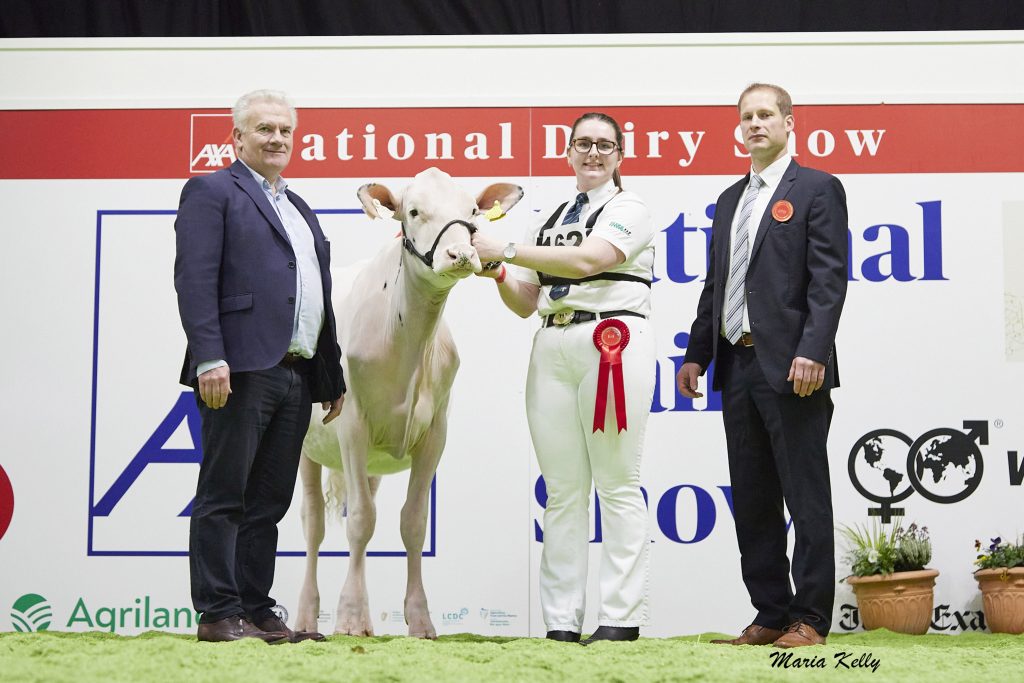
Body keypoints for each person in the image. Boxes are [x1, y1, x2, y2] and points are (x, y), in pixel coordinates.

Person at [471, 112, 654, 645]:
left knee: (618, 484)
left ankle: (619, 618)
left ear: (621, 155)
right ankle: (561, 623)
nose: (593, 153)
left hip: (612, 340)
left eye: (604, 145)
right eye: (583, 144)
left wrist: (503, 249)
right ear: (568, 152)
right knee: (562, 492)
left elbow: (590, 260)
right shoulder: (548, 216)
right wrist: (498, 271)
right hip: (551, 341)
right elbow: (525, 301)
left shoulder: (630, 208)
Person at [677, 83, 848, 648]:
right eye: (746, 116)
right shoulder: (730, 200)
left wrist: (813, 350)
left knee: (805, 494)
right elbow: (717, 285)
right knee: (751, 498)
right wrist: (698, 353)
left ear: (789, 121)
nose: (755, 124)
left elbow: (828, 281)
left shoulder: (818, 189)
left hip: (795, 367)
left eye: (766, 115)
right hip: (738, 365)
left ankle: (811, 619)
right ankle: (770, 613)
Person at [174, 89, 345, 644]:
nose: (277, 139)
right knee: (225, 494)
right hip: (239, 367)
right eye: (264, 129)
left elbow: (316, 293)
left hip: (295, 372)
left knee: (269, 501)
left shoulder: (298, 207)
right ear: (237, 137)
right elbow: (195, 280)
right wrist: (209, 356)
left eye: (285, 131)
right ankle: (219, 612)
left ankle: (255, 607)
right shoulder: (211, 191)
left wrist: (329, 373)